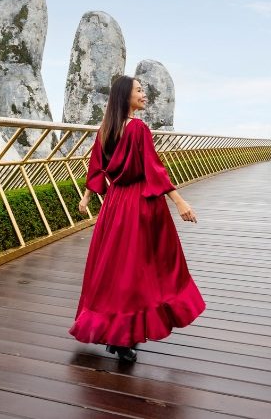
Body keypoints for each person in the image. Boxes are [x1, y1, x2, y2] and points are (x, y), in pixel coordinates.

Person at [68, 75, 206, 362]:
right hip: (140, 204)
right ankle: (124, 335)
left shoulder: (105, 129)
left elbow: (97, 167)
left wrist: (86, 197)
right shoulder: (138, 128)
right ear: (125, 97)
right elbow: (154, 170)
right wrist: (180, 202)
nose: (145, 95)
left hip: (114, 204)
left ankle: (117, 333)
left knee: (115, 270)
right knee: (143, 270)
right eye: (139, 91)